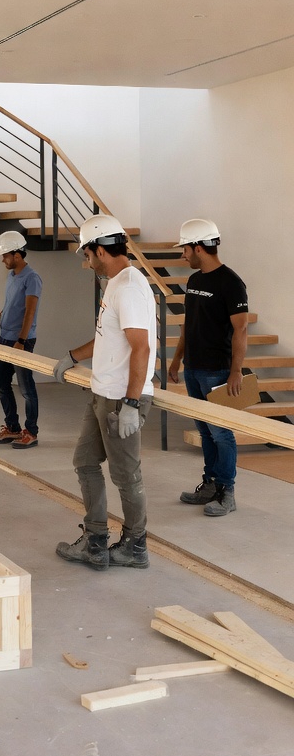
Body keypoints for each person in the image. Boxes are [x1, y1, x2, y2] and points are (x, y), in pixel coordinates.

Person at [52, 216, 156, 571]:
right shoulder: (115, 283)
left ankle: (135, 545)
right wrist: (72, 356)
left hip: (120, 398)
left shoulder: (128, 286)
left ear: (99, 249)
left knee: (127, 475)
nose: (87, 260)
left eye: (88, 253)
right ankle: (96, 540)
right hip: (102, 392)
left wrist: (130, 403)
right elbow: (108, 338)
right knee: (84, 460)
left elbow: (139, 348)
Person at [168, 219, 248, 517]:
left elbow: (241, 330)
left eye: (185, 249)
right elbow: (189, 324)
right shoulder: (195, 281)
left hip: (217, 371)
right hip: (193, 368)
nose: (182, 255)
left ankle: (227, 491)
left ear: (198, 247)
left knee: (221, 433)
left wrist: (236, 371)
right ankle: (211, 484)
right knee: (204, 431)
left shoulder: (231, 282)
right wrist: (177, 359)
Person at [0, 231, 43, 449]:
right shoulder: (12, 276)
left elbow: (29, 313)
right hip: (5, 339)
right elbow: (7, 309)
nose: (2, 259)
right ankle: (12, 428)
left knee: (26, 388)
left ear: (17, 254)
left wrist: (22, 341)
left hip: (21, 341)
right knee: (1, 383)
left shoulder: (32, 278)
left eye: (5, 255)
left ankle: (31, 432)